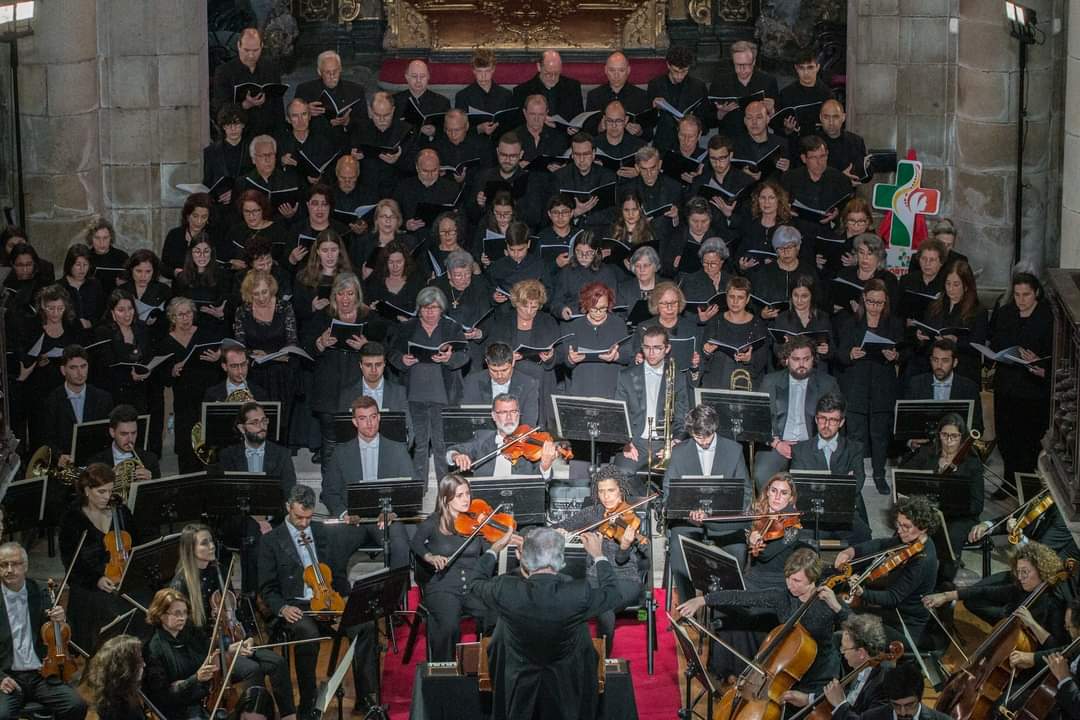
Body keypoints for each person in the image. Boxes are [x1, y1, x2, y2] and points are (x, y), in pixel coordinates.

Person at [467, 525, 624, 720]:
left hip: (519, 683)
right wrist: (599, 555)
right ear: (561, 560)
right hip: (565, 685)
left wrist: (495, 548)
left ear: (524, 558)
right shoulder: (577, 594)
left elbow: (474, 583)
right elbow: (613, 594)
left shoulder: (505, 590)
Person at [257, 485, 379, 717]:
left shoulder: (322, 532)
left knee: (365, 625)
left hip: (329, 601)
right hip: (295, 605)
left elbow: (338, 572)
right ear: (287, 508)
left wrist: (343, 601)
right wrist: (282, 608)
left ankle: (366, 698)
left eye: (308, 517)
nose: (304, 523)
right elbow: (267, 587)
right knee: (307, 633)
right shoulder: (271, 541)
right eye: (298, 517)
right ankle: (308, 702)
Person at [168, 525, 296, 720]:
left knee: (277, 662)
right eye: (205, 543)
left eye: (211, 541)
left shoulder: (216, 570)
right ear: (190, 549)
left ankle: (289, 716)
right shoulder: (180, 584)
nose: (212, 546)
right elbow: (187, 634)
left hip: (232, 642)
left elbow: (234, 610)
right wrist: (227, 647)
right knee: (253, 669)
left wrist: (247, 637)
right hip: (207, 652)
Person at [676, 547, 843, 692]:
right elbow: (740, 597)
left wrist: (837, 607)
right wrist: (702, 600)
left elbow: (854, 625)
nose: (790, 585)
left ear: (812, 579)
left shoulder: (827, 600)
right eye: (787, 578)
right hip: (788, 668)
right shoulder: (782, 596)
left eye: (797, 581)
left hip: (821, 673)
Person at [551, 466, 648, 655]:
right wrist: (559, 532)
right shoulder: (592, 513)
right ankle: (566, 656)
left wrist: (625, 546)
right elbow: (559, 526)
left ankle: (602, 661)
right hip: (593, 576)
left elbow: (623, 560)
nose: (606, 497)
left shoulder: (631, 517)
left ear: (621, 489)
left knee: (605, 606)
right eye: (601, 491)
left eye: (611, 490)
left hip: (624, 578)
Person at [664, 404, 751, 604]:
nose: (702, 442)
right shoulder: (678, 452)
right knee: (678, 547)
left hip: (724, 522)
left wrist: (720, 513)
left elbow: (745, 493)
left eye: (706, 437)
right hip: (689, 523)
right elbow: (668, 494)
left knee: (737, 549)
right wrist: (688, 514)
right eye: (697, 437)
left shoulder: (734, 450)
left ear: (714, 429)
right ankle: (687, 606)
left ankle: (726, 607)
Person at [319, 396, 414, 573]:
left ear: (379, 417)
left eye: (372, 417)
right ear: (354, 421)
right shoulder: (340, 452)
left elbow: (410, 490)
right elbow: (329, 492)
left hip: (385, 518)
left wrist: (392, 512)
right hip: (352, 519)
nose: (369, 423)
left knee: (400, 546)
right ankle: (338, 597)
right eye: (363, 418)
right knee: (333, 545)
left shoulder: (398, 449)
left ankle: (395, 598)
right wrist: (344, 513)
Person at [924, 541, 1068, 655]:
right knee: (974, 599)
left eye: (1025, 572)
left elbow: (1055, 646)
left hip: (1030, 651)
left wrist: (1032, 623)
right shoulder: (1022, 586)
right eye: (1018, 571)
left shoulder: (1054, 603)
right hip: (1008, 620)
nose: (1020, 577)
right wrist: (946, 596)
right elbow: (987, 591)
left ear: (1041, 571)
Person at [410, 474, 498, 661]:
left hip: (473, 586)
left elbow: (487, 553)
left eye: (468, 493)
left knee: (497, 616)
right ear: (445, 498)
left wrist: (497, 537)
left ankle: (487, 668)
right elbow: (416, 543)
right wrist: (430, 556)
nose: (466, 499)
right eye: (460, 495)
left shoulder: (476, 521)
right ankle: (444, 675)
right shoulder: (434, 522)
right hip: (443, 587)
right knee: (449, 626)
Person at [833, 495, 940, 645]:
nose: (900, 530)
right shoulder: (909, 540)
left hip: (904, 623)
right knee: (841, 611)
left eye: (906, 526)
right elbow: (881, 545)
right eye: (899, 524)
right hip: (891, 612)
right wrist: (851, 551)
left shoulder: (922, 560)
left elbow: (892, 597)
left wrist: (862, 592)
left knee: (844, 619)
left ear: (923, 528)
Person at [389, 286, 469, 481]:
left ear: (442, 309)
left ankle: (445, 487)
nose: (430, 312)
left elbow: (465, 355)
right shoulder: (407, 327)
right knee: (419, 444)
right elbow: (391, 353)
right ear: (419, 309)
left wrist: (449, 359)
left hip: (443, 395)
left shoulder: (452, 328)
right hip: (414, 395)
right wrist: (402, 361)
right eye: (425, 308)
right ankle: (419, 486)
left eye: (434, 308)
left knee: (442, 444)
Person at [0, 542, 87, 720]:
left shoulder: (40, 591)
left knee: (76, 706)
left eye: (15, 564)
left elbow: (57, 633)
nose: (9, 570)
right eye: (3, 565)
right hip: (8, 677)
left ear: (25, 566)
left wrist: (61, 620)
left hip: (42, 673)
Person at [218, 402, 298, 594]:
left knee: (259, 534)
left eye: (264, 421)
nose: (262, 426)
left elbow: (289, 493)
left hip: (274, 519)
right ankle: (253, 598)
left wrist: (269, 520)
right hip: (239, 519)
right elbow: (226, 497)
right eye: (254, 422)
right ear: (241, 428)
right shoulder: (228, 455)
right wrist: (255, 520)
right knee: (251, 531)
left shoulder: (282, 455)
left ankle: (263, 598)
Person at [58, 464, 137, 653]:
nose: (107, 497)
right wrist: (97, 579)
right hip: (88, 583)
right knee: (108, 609)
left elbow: (136, 542)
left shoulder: (121, 511)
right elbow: (70, 562)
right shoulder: (73, 517)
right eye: (101, 491)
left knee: (144, 603)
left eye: (110, 491)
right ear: (87, 490)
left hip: (121, 575)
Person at [835, 278, 903, 494]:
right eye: (871, 302)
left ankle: (879, 474)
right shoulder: (850, 322)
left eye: (879, 303)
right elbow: (839, 354)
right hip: (856, 386)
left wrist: (895, 355)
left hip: (882, 386)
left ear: (886, 303)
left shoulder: (893, 324)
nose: (875, 307)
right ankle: (856, 474)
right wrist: (850, 354)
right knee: (854, 434)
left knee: (880, 434)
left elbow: (905, 351)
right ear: (864, 299)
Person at [900, 413, 983, 581]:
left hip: (959, 516)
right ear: (939, 435)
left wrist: (954, 503)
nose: (949, 440)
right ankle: (903, 577)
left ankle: (942, 584)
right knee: (903, 532)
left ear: (962, 437)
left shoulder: (972, 462)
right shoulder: (928, 452)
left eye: (954, 436)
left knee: (950, 538)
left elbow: (977, 504)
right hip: (930, 512)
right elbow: (904, 475)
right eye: (945, 435)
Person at [754, 336, 840, 488]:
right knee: (761, 473)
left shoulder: (827, 383)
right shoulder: (770, 381)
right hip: (777, 443)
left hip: (812, 445)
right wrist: (777, 443)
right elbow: (760, 420)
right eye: (796, 359)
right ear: (786, 360)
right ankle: (770, 511)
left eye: (806, 359)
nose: (801, 364)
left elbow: (834, 423)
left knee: (815, 485)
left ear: (813, 359)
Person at [615, 326, 690, 488]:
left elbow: (683, 418)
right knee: (621, 472)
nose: (651, 353)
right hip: (637, 442)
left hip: (666, 442)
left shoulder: (678, 377)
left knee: (678, 474)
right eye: (647, 347)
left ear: (667, 348)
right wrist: (626, 443)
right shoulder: (626, 375)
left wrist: (675, 443)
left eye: (657, 348)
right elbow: (619, 416)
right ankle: (641, 510)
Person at [156, 297, 224, 473]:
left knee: (211, 446)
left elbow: (219, 361)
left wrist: (218, 357)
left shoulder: (206, 333)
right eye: (180, 314)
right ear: (172, 317)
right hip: (184, 402)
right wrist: (172, 371)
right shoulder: (165, 343)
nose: (186, 318)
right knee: (187, 448)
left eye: (188, 313)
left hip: (208, 397)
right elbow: (163, 377)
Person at [791, 393, 870, 540]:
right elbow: (799, 489)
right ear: (816, 419)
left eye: (833, 420)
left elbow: (857, 483)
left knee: (863, 539)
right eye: (822, 419)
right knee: (799, 542)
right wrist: (842, 484)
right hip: (813, 514)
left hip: (845, 512)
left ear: (841, 422)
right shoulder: (800, 450)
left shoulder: (855, 448)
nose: (826, 425)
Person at [484, 279, 562, 426]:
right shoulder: (504, 320)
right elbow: (490, 349)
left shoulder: (548, 321)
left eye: (534, 307)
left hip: (542, 379)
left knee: (539, 426)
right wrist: (507, 356)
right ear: (516, 303)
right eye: (524, 306)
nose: (529, 311)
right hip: (512, 379)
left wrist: (551, 357)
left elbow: (561, 352)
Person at [232, 268, 299, 432]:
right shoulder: (243, 311)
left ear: (271, 288)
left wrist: (270, 356)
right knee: (256, 422)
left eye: (264, 292)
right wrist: (254, 354)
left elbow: (292, 341)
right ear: (249, 294)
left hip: (282, 374)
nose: (262, 298)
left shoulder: (285, 307)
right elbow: (240, 346)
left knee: (280, 425)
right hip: (256, 374)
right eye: (256, 294)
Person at [784, 613, 890, 714]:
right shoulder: (862, 672)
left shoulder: (881, 686)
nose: (842, 652)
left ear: (861, 653)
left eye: (844, 648)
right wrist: (808, 699)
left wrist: (840, 704)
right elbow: (849, 697)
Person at [910, 260, 988, 383]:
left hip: (963, 371)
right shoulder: (935, 305)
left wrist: (956, 341)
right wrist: (920, 336)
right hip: (935, 369)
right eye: (948, 284)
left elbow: (978, 345)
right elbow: (927, 332)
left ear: (966, 286)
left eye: (956, 284)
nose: (951, 289)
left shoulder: (978, 311)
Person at [448, 393, 557, 478]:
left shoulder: (530, 444)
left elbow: (541, 484)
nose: (509, 417)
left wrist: (545, 467)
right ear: (494, 416)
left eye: (513, 412)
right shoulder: (482, 438)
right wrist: (456, 456)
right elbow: (453, 451)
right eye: (503, 412)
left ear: (518, 414)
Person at [38, 345, 114, 465]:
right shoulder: (52, 401)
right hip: (65, 465)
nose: (80, 373)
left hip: (97, 464)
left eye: (83, 366)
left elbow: (109, 435)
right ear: (63, 370)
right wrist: (59, 456)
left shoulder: (103, 398)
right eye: (73, 368)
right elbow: (47, 438)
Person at [700, 276, 771, 389]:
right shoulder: (715, 321)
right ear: (726, 297)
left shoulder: (758, 325)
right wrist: (707, 352)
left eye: (740, 297)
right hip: (715, 381)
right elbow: (703, 353)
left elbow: (762, 359)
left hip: (746, 383)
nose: (735, 301)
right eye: (731, 296)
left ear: (747, 300)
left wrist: (750, 359)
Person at [564, 281, 632, 398]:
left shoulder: (618, 323)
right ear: (585, 305)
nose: (598, 313)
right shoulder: (575, 326)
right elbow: (566, 361)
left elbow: (628, 355)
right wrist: (571, 359)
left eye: (603, 308)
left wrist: (616, 356)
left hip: (611, 389)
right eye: (594, 309)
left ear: (609, 305)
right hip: (582, 388)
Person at [902, 338, 984, 435]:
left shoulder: (969, 387)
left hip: (957, 445)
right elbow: (905, 422)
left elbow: (977, 426)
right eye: (935, 360)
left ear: (955, 363)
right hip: (924, 444)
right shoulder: (916, 383)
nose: (939, 365)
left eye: (945, 361)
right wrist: (911, 441)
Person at [211, 28, 283, 136]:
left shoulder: (270, 67)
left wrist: (280, 136)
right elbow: (220, 109)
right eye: (247, 50)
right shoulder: (224, 72)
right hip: (240, 135)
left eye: (255, 50)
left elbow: (278, 105)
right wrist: (245, 105)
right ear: (239, 46)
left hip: (268, 133)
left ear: (262, 46)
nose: (251, 55)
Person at [294, 50, 366, 151]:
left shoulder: (356, 91)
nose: (332, 76)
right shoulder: (305, 90)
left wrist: (347, 122)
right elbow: (293, 123)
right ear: (319, 72)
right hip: (315, 146)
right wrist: (306, 112)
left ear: (340, 69)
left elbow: (364, 124)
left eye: (335, 71)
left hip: (345, 145)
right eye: (327, 72)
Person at [349, 91, 414, 200]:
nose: (382, 120)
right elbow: (348, 157)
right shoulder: (359, 128)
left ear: (393, 110)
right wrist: (354, 158)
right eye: (377, 115)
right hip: (365, 192)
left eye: (386, 115)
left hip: (396, 193)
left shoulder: (406, 130)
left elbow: (415, 165)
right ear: (370, 111)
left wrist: (397, 161)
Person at [709, 39, 780, 137]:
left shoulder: (768, 82)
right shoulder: (720, 83)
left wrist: (771, 110)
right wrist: (720, 114)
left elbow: (777, 124)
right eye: (738, 65)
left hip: (758, 139)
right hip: (730, 139)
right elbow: (708, 122)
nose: (742, 70)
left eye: (746, 65)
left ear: (754, 61)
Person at [829, 662, 947, 720]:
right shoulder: (871, 717)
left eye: (909, 705)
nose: (902, 712)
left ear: (920, 697)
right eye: (896, 705)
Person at [462, 342, 540, 426]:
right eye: (494, 370)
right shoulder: (472, 381)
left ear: (513, 362)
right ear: (487, 363)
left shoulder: (529, 384)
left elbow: (528, 424)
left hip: (516, 435)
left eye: (504, 370)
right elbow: (467, 419)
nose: (499, 376)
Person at [635, 281, 703, 379]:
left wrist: (695, 365)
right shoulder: (644, 328)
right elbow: (633, 360)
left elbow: (700, 366)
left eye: (674, 303)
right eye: (664, 303)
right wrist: (638, 360)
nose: (670, 308)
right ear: (656, 305)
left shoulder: (692, 328)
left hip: (682, 385)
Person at [647, 46, 708, 153]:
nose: (679, 76)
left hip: (689, 146)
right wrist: (655, 109)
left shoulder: (698, 87)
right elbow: (648, 122)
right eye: (675, 71)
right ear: (668, 65)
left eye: (684, 71)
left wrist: (691, 121)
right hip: (663, 144)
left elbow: (706, 121)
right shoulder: (655, 85)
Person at [771, 274, 834, 364]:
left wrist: (826, 350)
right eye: (795, 296)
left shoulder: (823, 318)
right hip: (792, 369)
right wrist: (785, 349)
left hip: (817, 370)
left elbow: (833, 350)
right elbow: (776, 350)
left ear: (812, 296)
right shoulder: (782, 318)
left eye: (804, 296)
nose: (799, 301)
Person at [86, 404, 161, 479]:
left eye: (133, 433)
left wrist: (150, 481)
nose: (130, 439)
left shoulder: (150, 460)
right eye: (124, 434)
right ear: (112, 432)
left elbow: (160, 489)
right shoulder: (96, 463)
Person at [832, 232, 899, 316]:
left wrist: (862, 312)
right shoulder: (845, 273)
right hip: (843, 321)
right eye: (861, 252)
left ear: (879, 256)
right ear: (856, 254)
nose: (865, 257)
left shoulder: (888, 279)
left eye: (870, 254)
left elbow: (890, 311)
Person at [454, 50, 515, 140]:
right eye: (479, 71)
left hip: (499, 142)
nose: (483, 76)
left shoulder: (506, 95)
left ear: (493, 69)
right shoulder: (463, 96)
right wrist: (479, 129)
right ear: (473, 70)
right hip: (474, 144)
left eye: (487, 71)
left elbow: (512, 125)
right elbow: (458, 129)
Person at [512, 50, 584, 126]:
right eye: (548, 74)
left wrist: (574, 129)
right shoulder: (522, 91)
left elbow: (579, 118)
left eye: (556, 73)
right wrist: (539, 121)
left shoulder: (572, 87)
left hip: (565, 136)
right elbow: (517, 124)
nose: (553, 78)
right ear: (539, 67)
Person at [586, 52, 650, 135]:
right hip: (602, 144)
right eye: (612, 70)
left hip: (632, 144)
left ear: (628, 70)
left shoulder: (641, 96)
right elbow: (587, 131)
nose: (616, 75)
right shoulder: (594, 96)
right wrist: (599, 128)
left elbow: (649, 133)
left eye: (621, 70)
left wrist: (639, 132)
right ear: (605, 70)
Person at [775, 49, 833, 141]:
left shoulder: (827, 94)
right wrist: (787, 130)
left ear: (817, 67)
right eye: (802, 68)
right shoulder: (786, 93)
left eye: (810, 67)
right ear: (796, 68)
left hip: (820, 144)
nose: (806, 73)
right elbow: (777, 129)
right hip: (794, 144)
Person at [240, 136, 301, 223]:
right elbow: (236, 216)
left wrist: (291, 215)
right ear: (253, 159)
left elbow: (302, 213)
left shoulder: (291, 181)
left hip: (281, 230)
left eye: (270, 154)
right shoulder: (243, 183)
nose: (267, 159)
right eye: (262, 155)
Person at [85, 635, 145, 720]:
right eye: (139, 660)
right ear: (126, 668)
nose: (144, 664)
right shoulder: (121, 710)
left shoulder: (114, 693)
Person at [393, 60, 450, 139]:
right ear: (406, 77)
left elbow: (449, 131)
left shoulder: (442, 102)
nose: (418, 80)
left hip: (431, 147)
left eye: (422, 76)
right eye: (414, 76)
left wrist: (435, 131)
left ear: (428, 77)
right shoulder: (394, 101)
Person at [163, 193, 214, 280]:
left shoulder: (213, 235)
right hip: (181, 287)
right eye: (195, 216)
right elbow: (164, 267)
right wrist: (174, 272)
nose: (199, 221)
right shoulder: (175, 235)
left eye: (204, 217)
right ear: (187, 215)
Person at [816, 100, 867, 183]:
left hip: (850, 193)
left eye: (835, 117)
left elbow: (862, 172)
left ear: (843, 117)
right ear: (820, 118)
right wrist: (840, 178)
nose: (831, 122)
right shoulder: (811, 143)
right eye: (826, 117)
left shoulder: (856, 141)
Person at [59, 243, 105, 330]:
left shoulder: (95, 284)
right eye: (78, 265)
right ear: (70, 265)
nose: (82, 269)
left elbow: (102, 313)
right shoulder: (59, 287)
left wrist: (91, 323)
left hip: (92, 333)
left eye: (85, 265)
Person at [84, 217, 129, 292]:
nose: (101, 242)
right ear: (91, 238)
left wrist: (125, 285)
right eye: (97, 238)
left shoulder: (122, 257)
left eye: (105, 238)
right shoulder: (85, 257)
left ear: (111, 238)